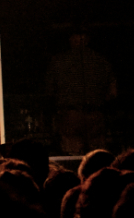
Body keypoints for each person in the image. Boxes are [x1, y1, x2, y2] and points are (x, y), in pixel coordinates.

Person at [46, 27, 116, 155]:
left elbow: (50, 91)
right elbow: (112, 93)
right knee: (97, 156)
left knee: (73, 155)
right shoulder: (101, 61)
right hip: (95, 114)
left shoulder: (58, 61)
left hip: (70, 115)